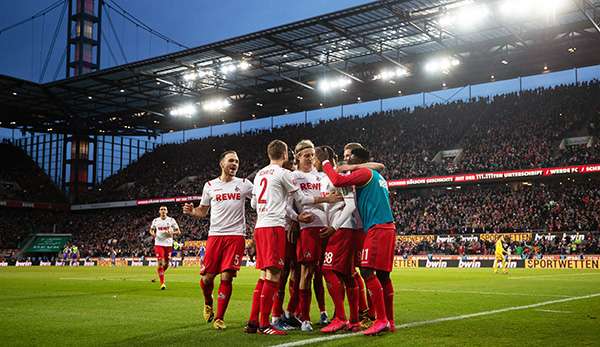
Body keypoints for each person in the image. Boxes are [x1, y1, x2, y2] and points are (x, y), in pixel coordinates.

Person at [245, 139, 341, 335]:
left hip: (262, 225)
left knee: (266, 275)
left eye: (312, 154)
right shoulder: (286, 174)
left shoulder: (259, 174)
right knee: (277, 275)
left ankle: (255, 322)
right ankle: (267, 322)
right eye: (306, 154)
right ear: (289, 155)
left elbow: (254, 204)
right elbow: (302, 199)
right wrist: (300, 214)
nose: (310, 157)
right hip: (278, 226)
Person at [316, 145, 396, 335]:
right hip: (386, 226)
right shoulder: (376, 175)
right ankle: (389, 321)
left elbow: (336, 179)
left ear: (357, 158)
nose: (346, 160)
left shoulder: (364, 173)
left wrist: (326, 161)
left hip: (376, 227)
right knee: (383, 276)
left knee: (367, 271)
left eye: (348, 156)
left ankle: (381, 319)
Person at [183, 150, 253, 330]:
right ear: (222, 163)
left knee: (227, 277)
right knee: (207, 278)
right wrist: (192, 212)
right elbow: (202, 211)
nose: (235, 164)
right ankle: (208, 302)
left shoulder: (245, 184)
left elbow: (260, 201)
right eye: (231, 160)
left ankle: (219, 318)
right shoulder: (210, 186)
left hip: (236, 236)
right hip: (215, 235)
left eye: (237, 161)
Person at [149, 206, 181, 290]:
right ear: (159, 211)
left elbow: (178, 231)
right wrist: (153, 234)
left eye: (164, 209)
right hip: (159, 243)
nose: (163, 211)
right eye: (161, 209)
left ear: (167, 211)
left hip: (168, 244)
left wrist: (171, 232)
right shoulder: (155, 220)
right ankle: (162, 283)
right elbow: (151, 230)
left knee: (166, 264)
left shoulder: (171, 220)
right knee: (160, 262)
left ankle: (160, 273)